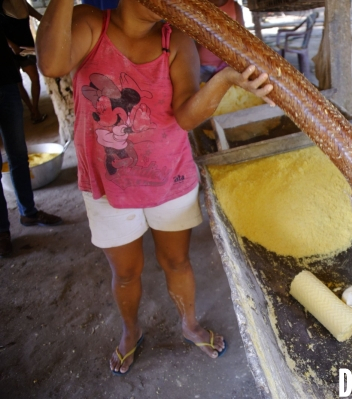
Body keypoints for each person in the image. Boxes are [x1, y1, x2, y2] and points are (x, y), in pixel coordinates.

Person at [36, 0, 273, 375]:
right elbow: (51, 64)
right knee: (126, 273)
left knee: (177, 261)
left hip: (170, 179)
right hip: (107, 186)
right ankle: (131, 332)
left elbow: (185, 115)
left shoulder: (175, 39)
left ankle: (189, 325)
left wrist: (224, 81)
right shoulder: (90, 23)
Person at [0, 30, 63, 258]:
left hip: (6, 82)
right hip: (6, 82)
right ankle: (2, 232)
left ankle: (29, 212)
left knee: (18, 154)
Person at [0, 0, 47, 124]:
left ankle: (35, 109)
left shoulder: (22, 3)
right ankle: (32, 109)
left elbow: (35, 13)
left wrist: (45, 19)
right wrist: (11, 45)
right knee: (18, 82)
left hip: (27, 45)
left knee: (35, 78)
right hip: (10, 50)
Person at [197, 0, 245, 82]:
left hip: (228, 66)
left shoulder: (234, 6)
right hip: (202, 65)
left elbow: (242, 38)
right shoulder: (198, 5)